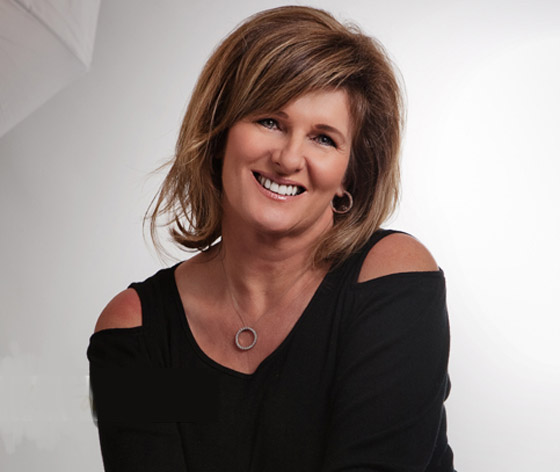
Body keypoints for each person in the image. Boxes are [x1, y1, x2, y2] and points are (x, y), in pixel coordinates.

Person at [88, 5, 455, 471]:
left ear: (350, 176)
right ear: (219, 134)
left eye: (324, 138)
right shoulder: (136, 331)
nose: (288, 158)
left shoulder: (390, 278)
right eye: (269, 122)